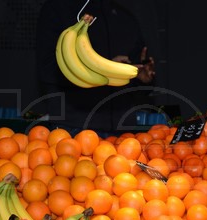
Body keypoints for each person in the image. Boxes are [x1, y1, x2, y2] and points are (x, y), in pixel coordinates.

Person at [35, 0, 156, 135]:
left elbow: (134, 72)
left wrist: (142, 78)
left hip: (124, 129)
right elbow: (47, 68)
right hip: (74, 127)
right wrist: (99, 71)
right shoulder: (58, 8)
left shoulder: (125, 16)